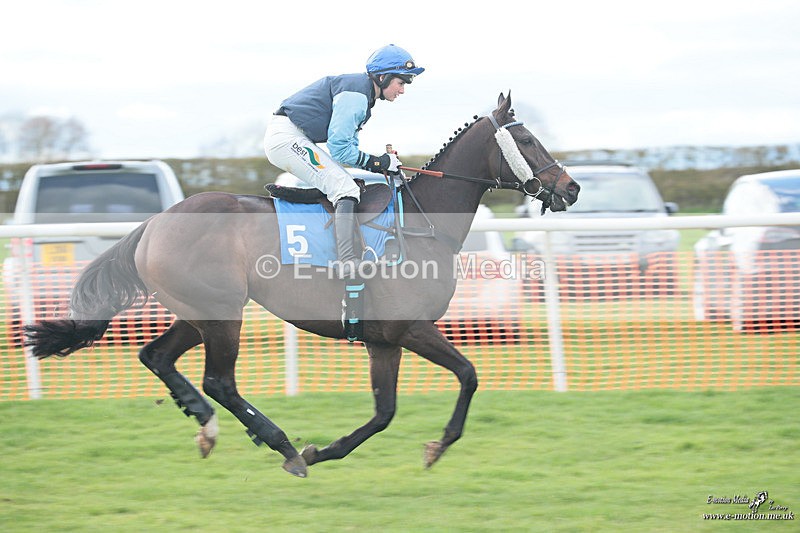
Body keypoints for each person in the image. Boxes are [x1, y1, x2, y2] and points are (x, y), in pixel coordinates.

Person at [264, 44, 424, 277]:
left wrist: (380, 164)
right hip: (287, 138)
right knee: (345, 188)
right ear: (383, 77)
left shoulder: (363, 95)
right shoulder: (356, 94)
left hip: (292, 136)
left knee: (345, 184)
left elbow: (349, 149)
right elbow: (340, 150)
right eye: (401, 83)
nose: (402, 90)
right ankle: (347, 261)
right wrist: (379, 163)